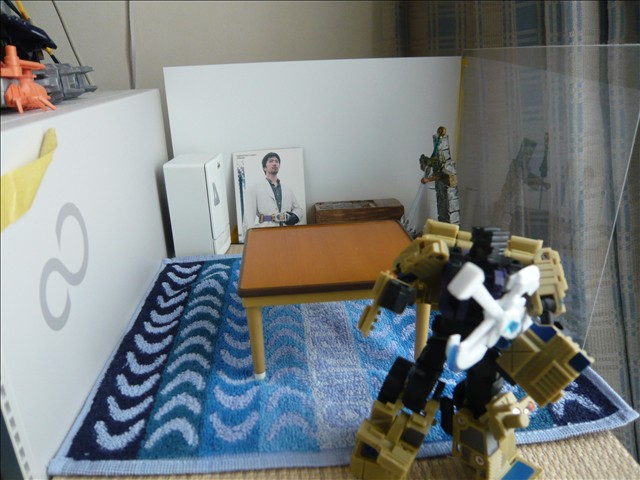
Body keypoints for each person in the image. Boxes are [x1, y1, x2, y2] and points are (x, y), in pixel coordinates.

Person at [245, 152, 304, 231]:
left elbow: (298, 209)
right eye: (271, 161)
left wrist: (295, 217)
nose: (274, 163)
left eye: (277, 161)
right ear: (264, 167)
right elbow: (248, 217)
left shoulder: (288, 189)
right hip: (266, 231)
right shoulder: (254, 189)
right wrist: (251, 236)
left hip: (287, 231)